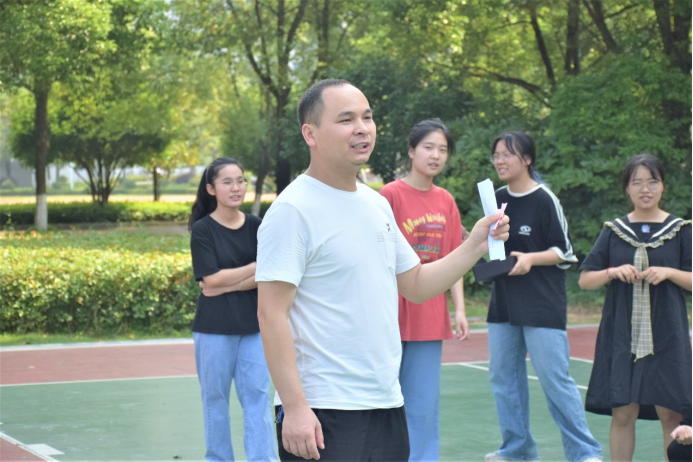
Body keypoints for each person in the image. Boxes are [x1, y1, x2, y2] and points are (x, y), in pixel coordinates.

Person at [255, 79, 510, 461]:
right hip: (323, 408)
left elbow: (417, 284)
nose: (362, 128)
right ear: (310, 133)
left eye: (367, 117)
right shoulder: (293, 210)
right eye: (346, 120)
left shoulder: (376, 205)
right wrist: (294, 407)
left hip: (386, 402)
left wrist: (475, 244)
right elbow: (271, 313)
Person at [485, 131, 603, 462]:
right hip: (503, 304)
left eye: (507, 154)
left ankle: (584, 452)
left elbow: (565, 252)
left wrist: (531, 259)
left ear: (527, 159)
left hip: (541, 304)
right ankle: (517, 450)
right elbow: (493, 247)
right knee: (503, 379)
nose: (500, 161)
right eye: (496, 155)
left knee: (554, 380)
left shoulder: (544, 198)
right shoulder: (495, 198)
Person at [579, 154, 692, 462]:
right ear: (626, 188)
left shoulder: (680, 230)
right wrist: (612, 272)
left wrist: (669, 273)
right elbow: (585, 280)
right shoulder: (613, 231)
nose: (645, 189)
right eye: (637, 182)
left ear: (663, 185)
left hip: (668, 334)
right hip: (622, 335)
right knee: (623, 413)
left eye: (652, 181)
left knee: (672, 414)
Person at [380, 118, 469, 461]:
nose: (435, 155)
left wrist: (459, 310)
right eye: (428, 147)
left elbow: (455, 259)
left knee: (422, 404)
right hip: (391, 311)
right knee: (383, 402)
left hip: (429, 313)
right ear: (411, 151)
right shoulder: (390, 195)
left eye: (442, 149)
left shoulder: (446, 200)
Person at [189, 157, 277, 462]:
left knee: (258, 399)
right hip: (213, 329)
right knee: (215, 400)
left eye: (240, 181)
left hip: (254, 327)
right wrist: (253, 267)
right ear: (211, 189)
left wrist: (226, 284)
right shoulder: (203, 229)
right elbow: (210, 278)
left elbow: (267, 274)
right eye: (227, 182)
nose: (236, 187)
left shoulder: (256, 226)